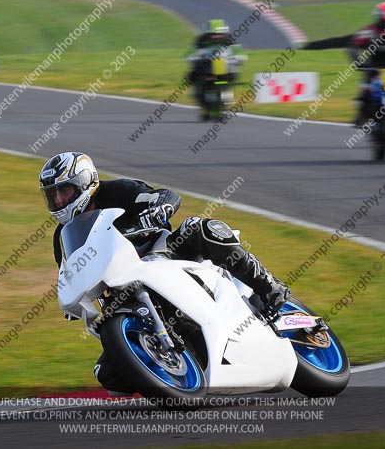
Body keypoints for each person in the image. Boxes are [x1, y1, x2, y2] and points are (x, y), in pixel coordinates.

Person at [39, 151, 290, 393]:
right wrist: (74, 301)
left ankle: (269, 287)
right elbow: (68, 271)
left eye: (65, 191)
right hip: (121, 290)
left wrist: (159, 209)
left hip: (164, 253)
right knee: (107, 374)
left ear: (84, 182)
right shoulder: (62, 236)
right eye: (53, 195)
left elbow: (165, 195)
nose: (60, 201)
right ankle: (173, 362)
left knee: (201, 228)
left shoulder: (118, 190)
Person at [186, 19, 244, 103]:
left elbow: (239, 53)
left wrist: (237, 59)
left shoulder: (229, 39)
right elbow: (191, 53)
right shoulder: (202, 39)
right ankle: (197, 91)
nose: (216, 37)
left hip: (224, 69)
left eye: (218, 35)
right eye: (213, 34)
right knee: (193, 74)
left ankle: (225, 92)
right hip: (208, 68)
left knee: (232, 74)